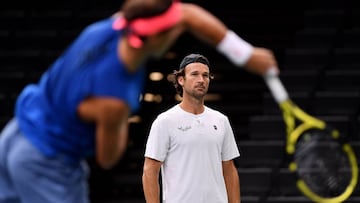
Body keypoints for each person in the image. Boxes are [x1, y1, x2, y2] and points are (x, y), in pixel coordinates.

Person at [0, 0, 278, 202]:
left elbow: (188, 15)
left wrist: (246, 55)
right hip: (47, 163)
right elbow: (108, 159)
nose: (177, 31)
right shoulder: (116, 99)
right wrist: (118, 122)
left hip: (15, 132)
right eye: (172, 31)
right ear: (157, 38)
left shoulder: (113, 25)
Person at [142, 53, 241, 203]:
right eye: (194, 74)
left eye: (205, 75)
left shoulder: (221, 120)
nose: (201, 80)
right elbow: (150, 171)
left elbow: (229, 169)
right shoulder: (165, 121)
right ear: (181, 79)